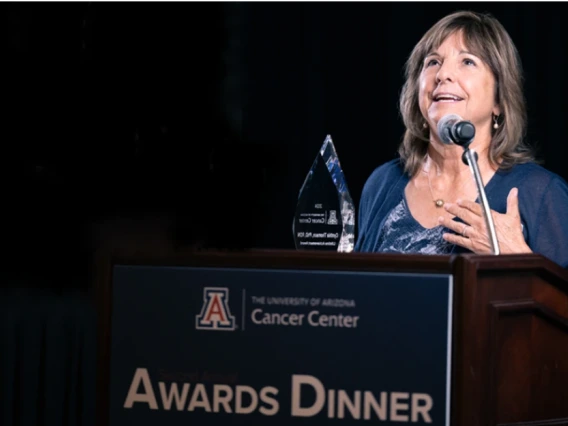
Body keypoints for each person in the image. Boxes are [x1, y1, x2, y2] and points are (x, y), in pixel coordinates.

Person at [355, 10, 568, 268]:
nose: (443, 74)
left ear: (499, 100)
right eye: (433, 62)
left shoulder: (541, 193)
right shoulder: (382, 183)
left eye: (467, 62)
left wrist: (518, 258)